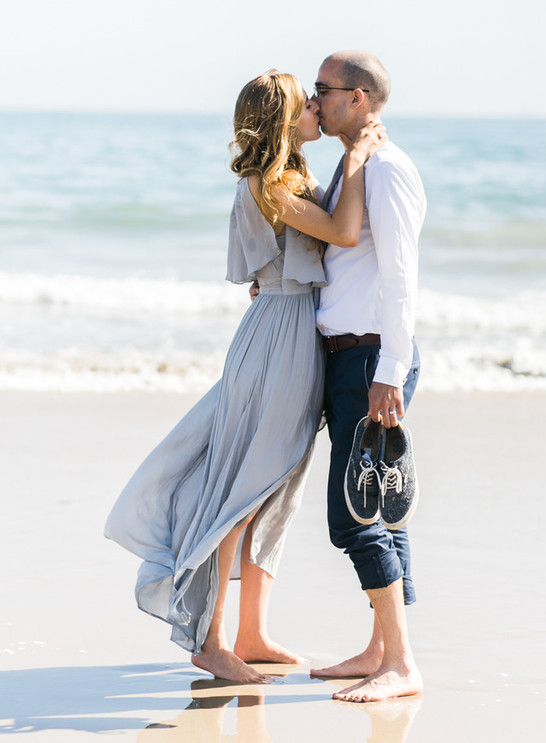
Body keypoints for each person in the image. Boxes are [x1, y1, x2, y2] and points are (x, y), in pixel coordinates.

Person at [105, 69, 383, 684]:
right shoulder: (270, 184)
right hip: (279, 335)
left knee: (277, 486)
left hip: (292, 329)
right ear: (284, 121)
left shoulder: (289, 178)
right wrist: (360, 153)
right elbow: (343, 231)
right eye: (306, 104)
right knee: (245, 486)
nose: (317, 108)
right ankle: (212, 639)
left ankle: (252, 632)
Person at [308, 51, 427, 702]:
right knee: (381, 504)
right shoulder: (357, 164)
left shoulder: (387, 169)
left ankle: (402, 663)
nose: (313, 99)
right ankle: (381, 648)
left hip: (371, 359)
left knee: (354, 517)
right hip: (352, 357)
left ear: (358, 99)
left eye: (322, 90)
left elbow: (401, 279)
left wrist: (389, 370)